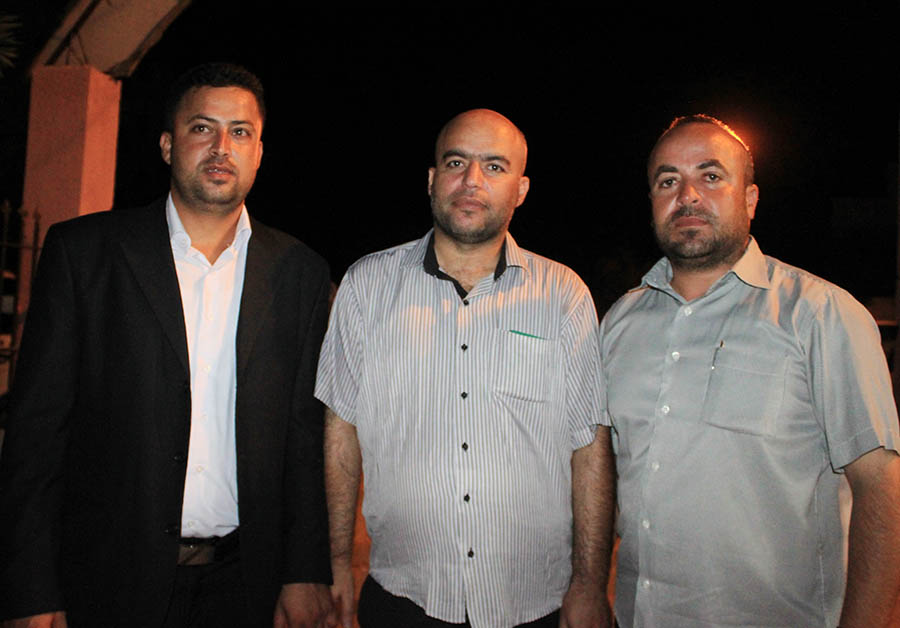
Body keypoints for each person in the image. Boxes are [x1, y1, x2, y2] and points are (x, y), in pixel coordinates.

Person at [0, 63, 334, 627]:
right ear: (167, 144)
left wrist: (306, 571)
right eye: (202, 128)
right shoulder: (85, 254)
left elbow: (305, 437)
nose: (222, 147)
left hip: (244, 587)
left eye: (240, 132)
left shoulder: (300, 272)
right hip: (106, 582)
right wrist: (30, 590)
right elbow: (36, 435)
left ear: (258, 152)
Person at [316, 109, 615, 628]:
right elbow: (340, 431)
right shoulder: (366, 287)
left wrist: (589, 584)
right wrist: (338, 563)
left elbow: (589, 446)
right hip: (405, 596)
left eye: (494, 167)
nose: (472, 180)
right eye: (456, 163)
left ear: (521, 190)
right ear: (432, 179)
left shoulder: (563, 295)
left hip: (535, 602)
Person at [600, 114, 900, 627]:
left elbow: (882, 488)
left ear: (751, 198)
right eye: (668, 181)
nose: (687, 195)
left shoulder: (821, 315)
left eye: (711, 176)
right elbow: (604, 474)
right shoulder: (619, 323)